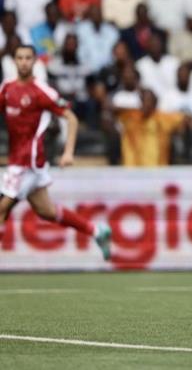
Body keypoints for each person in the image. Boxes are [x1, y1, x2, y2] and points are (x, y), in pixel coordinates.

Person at [0, 44, 111, 260]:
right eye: (20, 58)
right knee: (46, 211)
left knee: (1, 209)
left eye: (28, 58)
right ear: (14, 61)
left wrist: (68, 152)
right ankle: (96, 231)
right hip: (21, 162)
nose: (24, 62)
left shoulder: (42, 91)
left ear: (35, 62)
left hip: (27, 163)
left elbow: (71, 118)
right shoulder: (6, 89)